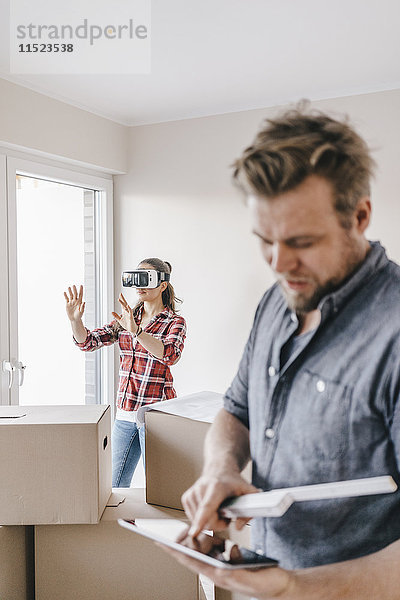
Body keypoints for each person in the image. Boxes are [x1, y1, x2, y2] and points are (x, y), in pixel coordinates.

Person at [163, 105, 400, 599]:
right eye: (264, 240)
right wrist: (221, 469)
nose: (278, 262)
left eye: (301, 242)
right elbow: (237, 410)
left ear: (359, 216)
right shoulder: (277, 299)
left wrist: (294, 587)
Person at [64, 257, 186, 487]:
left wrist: (137, 331)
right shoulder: (127, 318)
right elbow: (88, 342)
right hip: (125, 414)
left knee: (162, 488)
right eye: (136, 278)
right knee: (115, 488)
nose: (139, 285)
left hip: (157, 415)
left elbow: (170, 354)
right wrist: (75, 322)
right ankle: (124, 525)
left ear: (162, 285)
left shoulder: (174, 321)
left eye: (146, 279)